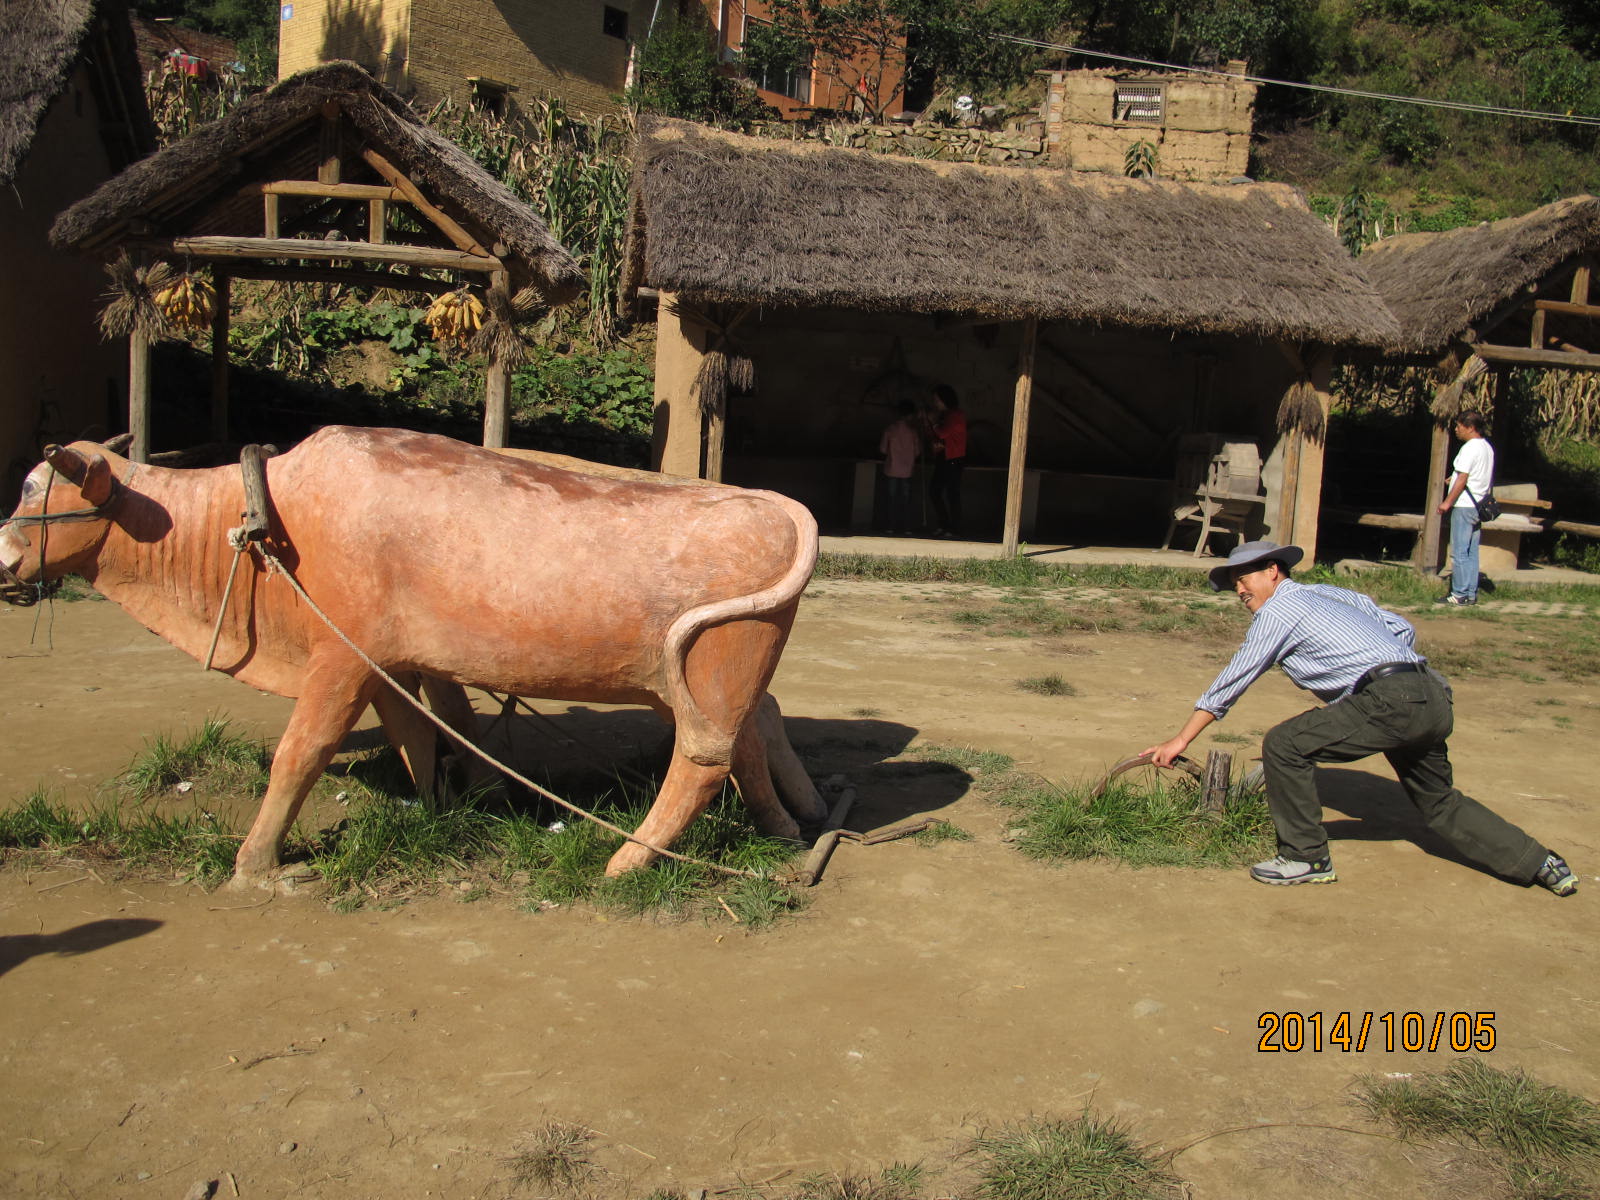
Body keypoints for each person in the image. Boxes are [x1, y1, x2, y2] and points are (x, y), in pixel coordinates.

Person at [1141, 540, 1577, 894]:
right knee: (1439, 801)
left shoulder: (1279, 609)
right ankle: (1540, 863)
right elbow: (1401, 628)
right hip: (1430, 692)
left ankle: (1305, 857)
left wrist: (1181, 740)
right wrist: (1369, 678)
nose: (1239, 589)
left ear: (1274, 571)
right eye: (1235, 582)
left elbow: (1235, 677)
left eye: (1245, 577)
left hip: (1389, 699)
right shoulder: (1332, 594)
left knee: (1284, 744)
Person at [1435, 410, 1494, 606]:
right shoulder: (1487, 448)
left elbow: (1463, 478)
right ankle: (1470, 592)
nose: (1457, 429)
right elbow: (1476, 475)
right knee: (1471, 551)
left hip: (1464, 506)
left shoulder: (1469, 448)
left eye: (1460, 426)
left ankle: (1458, 593)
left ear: (1470, 428)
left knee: (1459, 551)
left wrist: (1447, 502)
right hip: (1478, 504)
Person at [926, 385, 966, 538]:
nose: (935, 403)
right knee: (935, 491)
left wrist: (932, 421)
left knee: (951, 494)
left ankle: (954, 528)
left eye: (937, 400)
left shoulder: (955, 415)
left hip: (953, 459)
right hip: (944, 458)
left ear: (945, 400)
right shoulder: (947, 414)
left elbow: (942, 433)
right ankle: (945, 525)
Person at [878, 400, 920, 534]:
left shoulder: (890, 430)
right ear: (911, 415)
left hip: (892, 469)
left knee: (891, 499)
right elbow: (918, 452)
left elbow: (883, 449)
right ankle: (907, 528)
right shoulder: (913, 432)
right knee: (906, 500)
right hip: (907, 471)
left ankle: (890, 527)